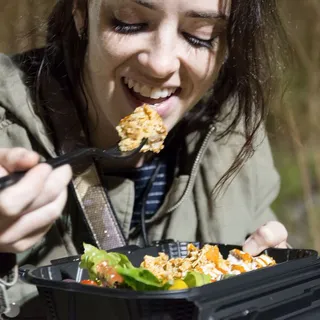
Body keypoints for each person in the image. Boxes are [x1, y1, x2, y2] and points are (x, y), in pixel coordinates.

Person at [0, 0, 289, 318]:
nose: (161, 64)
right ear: (81, 13)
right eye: (129, 21)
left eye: (200, 35)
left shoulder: (235, 135)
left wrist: (275, 291)